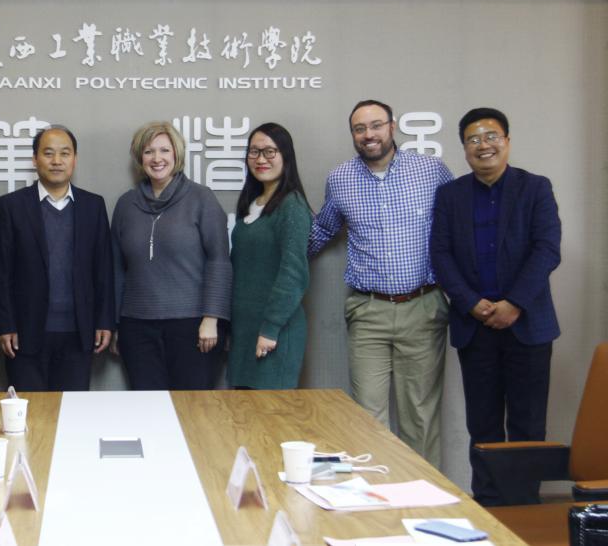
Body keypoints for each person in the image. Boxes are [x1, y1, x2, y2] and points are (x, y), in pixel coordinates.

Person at [308, 100, 453, 467]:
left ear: (392, 126)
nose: (368, 134)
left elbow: (459, 225)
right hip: (368, 310)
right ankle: (376, 495)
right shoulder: (340, 178)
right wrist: (276, 259)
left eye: (375, 125)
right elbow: (322, 229)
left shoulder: (431, 171)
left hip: (423, 307)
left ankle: (422, 494)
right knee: (367, 416)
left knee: (420, 415)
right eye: (359, 129)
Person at [431, 107, 561, 505]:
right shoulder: (451, 195)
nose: (483, 145)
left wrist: (514, 303)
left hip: (528, 325)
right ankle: (489, 507)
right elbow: (440, 255)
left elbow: (547, 249)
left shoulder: (535, 188)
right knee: (483, 426)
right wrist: (471, 303)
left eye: (491, 136)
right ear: (464, 148)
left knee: (527, 425)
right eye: (473, 139)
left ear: (507, 141)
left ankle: (524, 508)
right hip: (476, 326)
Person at [111, 121, 232, 390]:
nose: (157, 158)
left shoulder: (202, 199)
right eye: (149, 151)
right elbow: (117, 270)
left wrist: (212, 318)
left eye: (165, 150)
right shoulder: (125, 205)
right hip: (137, 327)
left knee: (192, 408)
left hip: (194, 325)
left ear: (177, 154)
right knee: (147, 407)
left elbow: (219, 261)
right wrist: (116, 324)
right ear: (139, 158)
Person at [0, 126, 114, 391]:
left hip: (79, 332)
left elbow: (103, 269)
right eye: (48, 153)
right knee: (30, 410)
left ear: (75, 159)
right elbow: (2, 272)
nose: (57, 161)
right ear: (35, 159)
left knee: (73, 410)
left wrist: (104, 320)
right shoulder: (12, 206)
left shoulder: (93, 205)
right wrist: (5, 324)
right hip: (25, 332)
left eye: (64, 153)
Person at [229, 123, 313, 390]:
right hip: (243, 331)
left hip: (273, 332)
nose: (261, 159)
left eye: (269, 151)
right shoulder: (250, 204)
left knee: (272, 412)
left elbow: (293, 273)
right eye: (254, 152)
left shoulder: (292, 206)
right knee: (243, 410)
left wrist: (270, 328)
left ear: (285, 156)